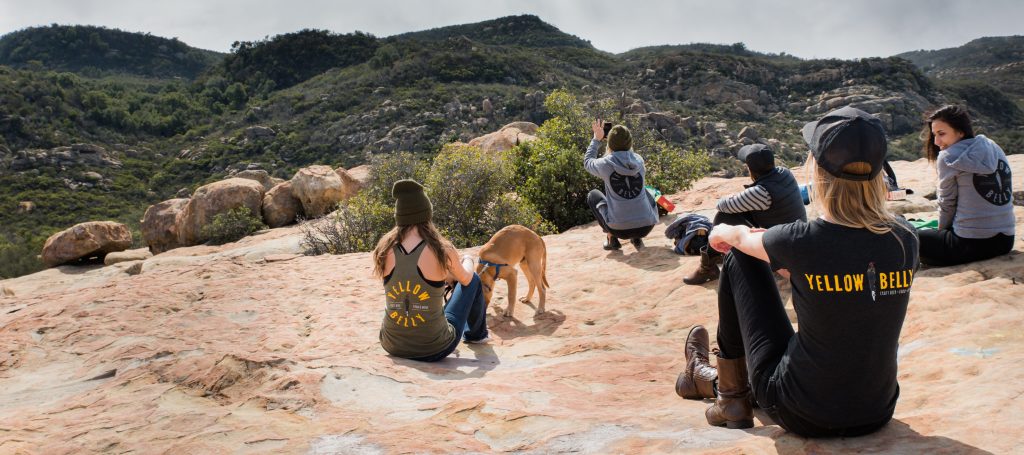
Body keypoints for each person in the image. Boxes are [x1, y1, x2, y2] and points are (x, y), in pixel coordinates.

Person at [674, 107, 920, 437]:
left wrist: (721, 234)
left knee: (740, 257)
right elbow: (850, 272)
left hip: (801, 412)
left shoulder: (801, 240)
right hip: (876, 410)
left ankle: (731, 398)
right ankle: (710, 382)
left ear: (818, 172)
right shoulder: (905, 238)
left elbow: (740, 237)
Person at [373, 179, 489, 362]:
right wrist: (467, 259)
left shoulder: (384, 248)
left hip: (390, 344)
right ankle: (476, 335)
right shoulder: (441, 249)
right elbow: (465, 279)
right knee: (473, 279)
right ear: (427, 214)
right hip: (434, 348)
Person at [683, 144, 807, 284]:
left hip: (783, 252)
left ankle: (708, 268)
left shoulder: (761, 192)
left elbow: (722, 205)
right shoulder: (784, 173)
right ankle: (716, 260)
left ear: (750, 169)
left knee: (724, 217)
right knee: (737, 212)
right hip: (797, 240)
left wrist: (733, 196)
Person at [918, 105, 1014, 266]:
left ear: (960, 132)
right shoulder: (992, 146)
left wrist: (941, 232)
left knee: (904, 236)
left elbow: (947, 203)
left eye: (941, 134)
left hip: (970, 244)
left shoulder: (948, 157)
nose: (936, 141)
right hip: (1005, 241)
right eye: (934, 135)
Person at [585, 120, 659, 250]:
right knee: (646, 191)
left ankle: (611, 238)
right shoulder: (639, 160)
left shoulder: (604, 164)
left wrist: (596, 139)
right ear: (630, 143)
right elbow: (627, 157)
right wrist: (618, 144)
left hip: (619, 230)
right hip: (646, 226)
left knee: (593, 195)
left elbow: (588, 162)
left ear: (610, 143)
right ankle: (637, 238)